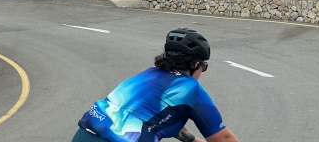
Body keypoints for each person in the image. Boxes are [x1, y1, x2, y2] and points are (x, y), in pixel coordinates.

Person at [73, 28, 240, 142]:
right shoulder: (189, 87)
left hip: (84, 134)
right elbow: (223, 139)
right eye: (204, 67)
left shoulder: (150, 74)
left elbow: (153, 118)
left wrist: (192, 140)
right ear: (196, 65)